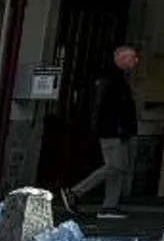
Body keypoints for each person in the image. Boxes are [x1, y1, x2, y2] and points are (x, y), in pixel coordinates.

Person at [59, 44, 141, 223]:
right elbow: (106, 108)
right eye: (132, 57)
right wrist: (116, 128)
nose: (136, 61)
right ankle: (75, 192)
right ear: (120, 58)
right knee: (114, 166)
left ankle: (109, 206)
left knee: (118, 169)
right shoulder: (110, 79)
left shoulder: (118, 78)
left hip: (120, 131)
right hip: (112, 131)